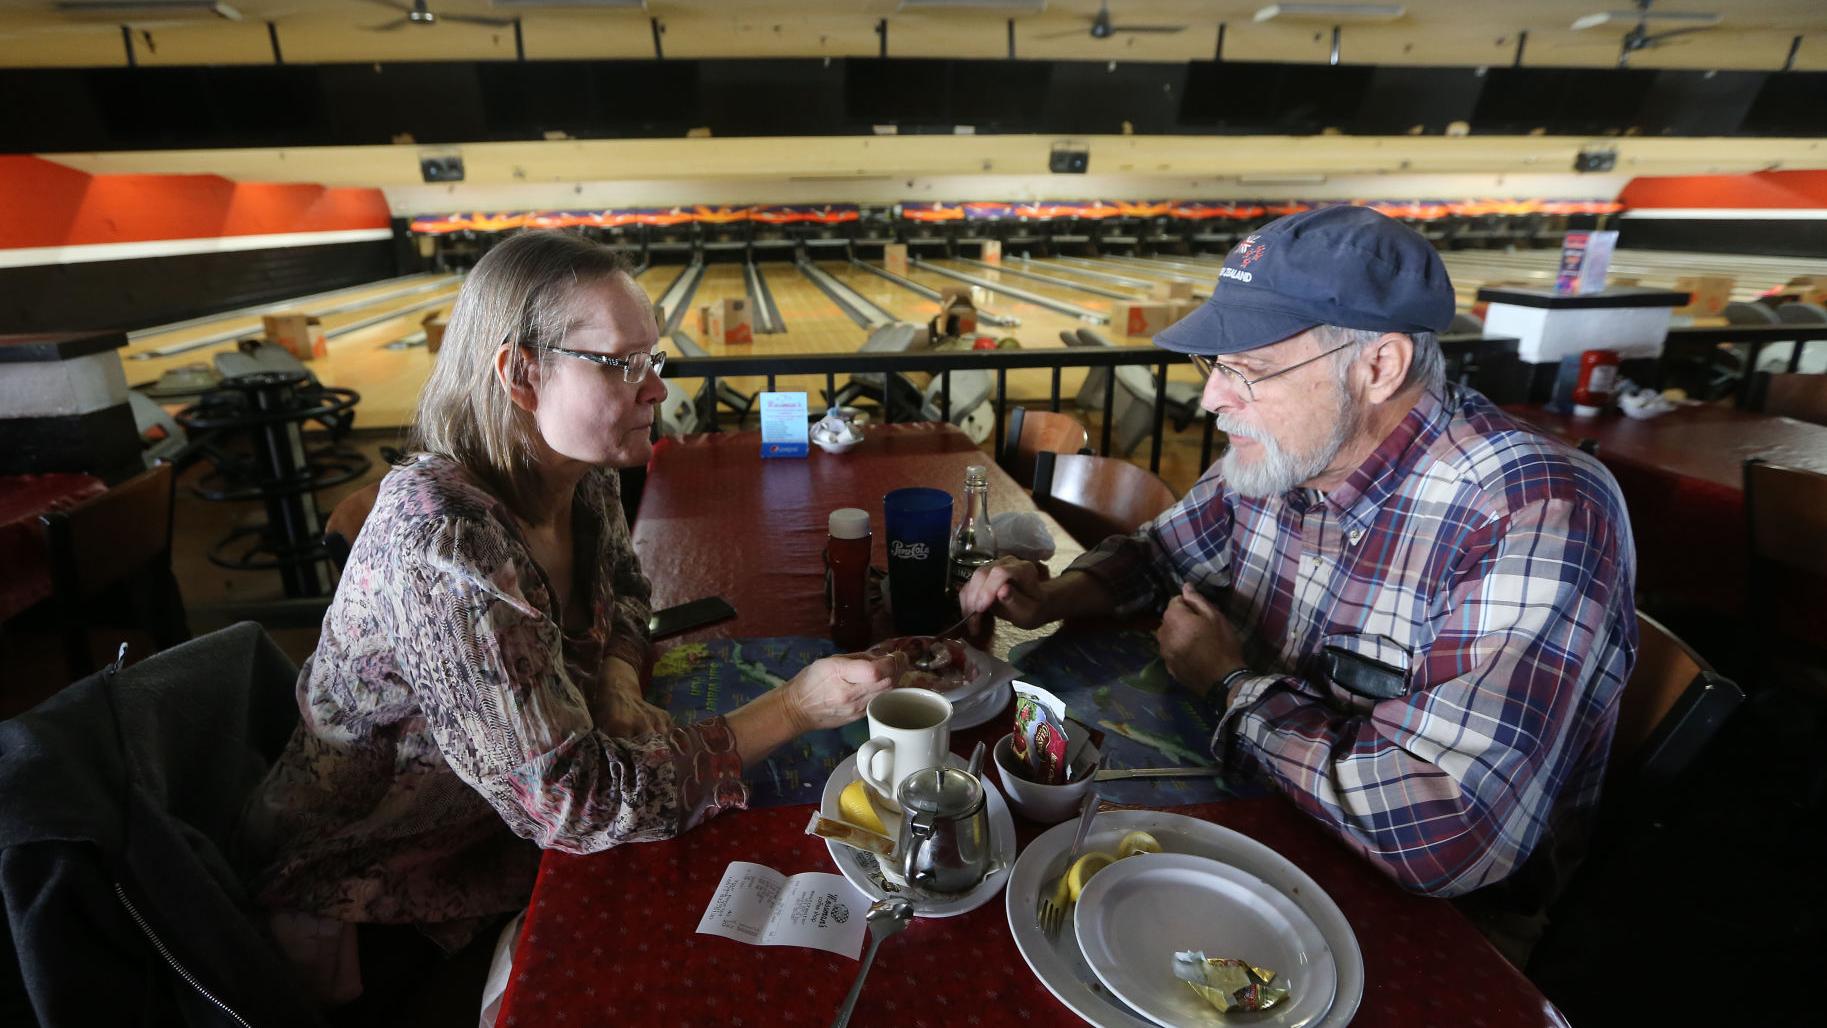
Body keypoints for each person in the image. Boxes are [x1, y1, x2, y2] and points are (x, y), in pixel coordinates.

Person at [237, 231, 903, 1008]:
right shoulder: (444, 544)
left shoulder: (576, 477)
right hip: (382, 888)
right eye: (624, 364)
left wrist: (617, 678)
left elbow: (623, 590)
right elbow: (576, 804)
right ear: (521, 375)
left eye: (653, 360)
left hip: (491, 837)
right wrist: (792, 708)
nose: (656, 388)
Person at [962, 206, 1637, 909]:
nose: (1213, 398)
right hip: (1258, 811)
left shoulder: (1532, 509)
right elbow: (1158, 556)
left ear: (1379, 365)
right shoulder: (1286, 452)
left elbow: (1444, 836)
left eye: (1249, 368)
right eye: (1216, 365)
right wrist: (1056, 596)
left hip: (1423, 917)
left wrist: (1227, 684)